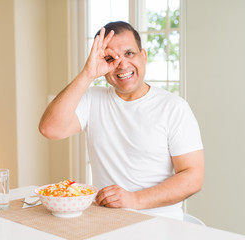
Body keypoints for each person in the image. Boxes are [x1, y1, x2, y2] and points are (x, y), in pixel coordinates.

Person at [38, 21, 204, 220]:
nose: (122, 64)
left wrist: (135, 200)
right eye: (110, 58)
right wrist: (88, 74)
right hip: (105, 222)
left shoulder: (173, 107)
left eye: (129, 54)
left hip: (160, 224)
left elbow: (193, 177)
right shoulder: (93, 99)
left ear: (143, 56)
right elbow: (50, 129)